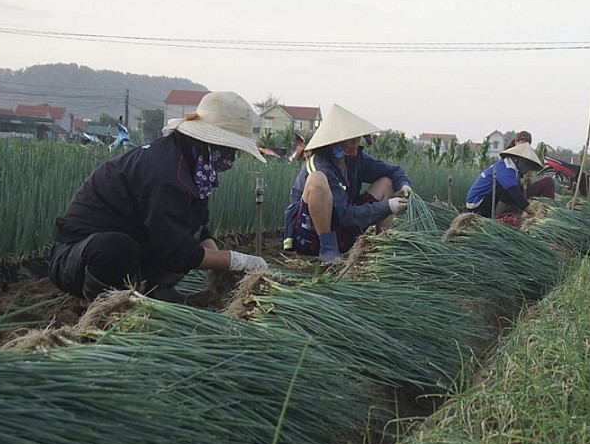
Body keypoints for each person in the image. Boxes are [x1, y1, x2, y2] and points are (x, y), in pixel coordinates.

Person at [48, 91, 272, 304]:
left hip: (133, 251)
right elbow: (177, 252)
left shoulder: (194, 168)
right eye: (230, 148)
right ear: (212, 143)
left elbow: (198, 228)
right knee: (116, 248)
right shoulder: (164, 171)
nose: (232, 156)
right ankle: (105, 307)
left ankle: (155, 294)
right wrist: (236, 260)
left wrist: (223, 270)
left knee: (174, 238)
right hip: (74, 257)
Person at [283, 104, 412, 264]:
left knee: (387, 182)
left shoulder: (354, 159)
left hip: (343, 233)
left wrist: (404, 184)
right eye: (349, 139)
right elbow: (344, 215)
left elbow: (391, 170)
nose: (355, 142)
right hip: (310, 236)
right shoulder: (320, 164)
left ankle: (381, 248)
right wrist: (388, 206)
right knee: (317, 180)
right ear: (333, 141)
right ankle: (328, 250)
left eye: (357, 138)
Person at [466, 142, 544, 218]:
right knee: (511, 192)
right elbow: (515, 193)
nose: (526, 166)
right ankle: (496, 218)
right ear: (517, 158)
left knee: (516, 188)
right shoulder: (506, 168)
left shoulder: (511, 169)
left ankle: (511, 215)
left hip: (486, 199)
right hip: (476, 205)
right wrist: (532, 212)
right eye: (525, 163)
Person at [505, 131, 555, 199]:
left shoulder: (525, 158)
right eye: (522, 143)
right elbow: (508, 181)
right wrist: (520, 182)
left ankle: (548, 204)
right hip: (512, 193)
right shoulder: (508, 157)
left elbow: (526, 182)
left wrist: (527, 179)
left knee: (548, 182)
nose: (524, 147)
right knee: (548, 182)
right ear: (516, 142)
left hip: (523, 190)